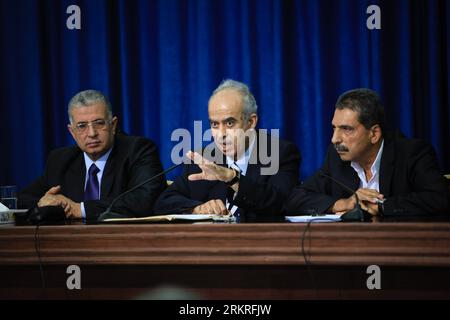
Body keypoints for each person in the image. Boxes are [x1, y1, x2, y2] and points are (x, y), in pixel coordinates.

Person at [285, 88, 449, 217]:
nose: (335, 139)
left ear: (374, 134)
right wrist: (344, 203)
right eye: (334, 128)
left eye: (346, 129)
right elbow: (295, 197)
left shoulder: (412, 153)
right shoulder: (336, 157)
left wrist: (381, 206)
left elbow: (440, 198)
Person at [154, 79, 301, 221]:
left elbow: (283, 203)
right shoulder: (203, 159)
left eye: (229, 123)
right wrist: (197, 209)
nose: (221, 134)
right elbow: (163, 202)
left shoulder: (280, 153)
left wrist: (233, 178)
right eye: (214, 124)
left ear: (251, 122)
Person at [18, 90, 166, 221]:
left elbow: (146, 199)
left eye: (99, 123)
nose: (92, 133)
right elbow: (21, 199)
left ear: (113, 125)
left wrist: (79, 209)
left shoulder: (138, 150)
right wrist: (43, 202)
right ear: (72, 132)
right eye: (82, 126)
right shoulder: (60, 160)